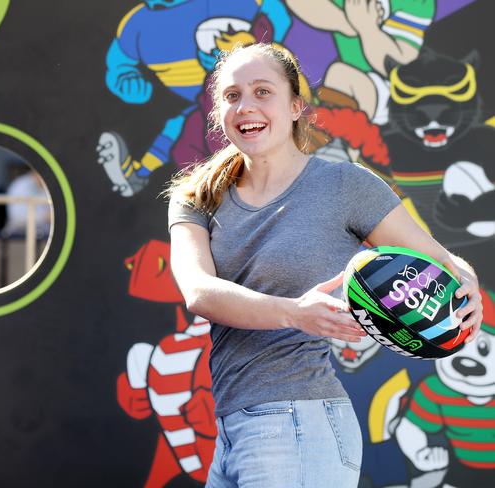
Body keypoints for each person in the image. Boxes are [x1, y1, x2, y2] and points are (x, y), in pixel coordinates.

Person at [165, 43, 483, 488]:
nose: (246, 107)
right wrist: (293, 312)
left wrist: (467, 284)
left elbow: (442, 260)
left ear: (296, 106)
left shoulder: (345, 185)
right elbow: (198, 291)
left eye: (262, 92)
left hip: (301, 425)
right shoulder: (198, 196)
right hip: (233, 427)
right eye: (233, 96)